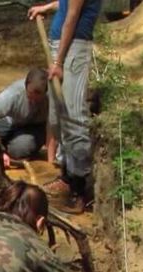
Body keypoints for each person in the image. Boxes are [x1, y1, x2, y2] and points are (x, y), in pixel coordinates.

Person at [28, 0, 102, 212]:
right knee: (57, 117)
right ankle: (67, 178)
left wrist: (58, 62)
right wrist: (47, 8)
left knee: (72, 118)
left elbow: (72, 15)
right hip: (62, 47)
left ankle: (80, 191)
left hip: (72, 50)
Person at [0, 68, 49, 165]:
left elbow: (54, 127)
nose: (33, 101)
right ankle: (2, 147)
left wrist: (50, 158)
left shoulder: (52, 97)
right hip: (12, 121)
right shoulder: (13, 94)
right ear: (25, 86)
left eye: (37, 98)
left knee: (20, 149)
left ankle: (11, 147)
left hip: (36, 127)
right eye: (30, 96)